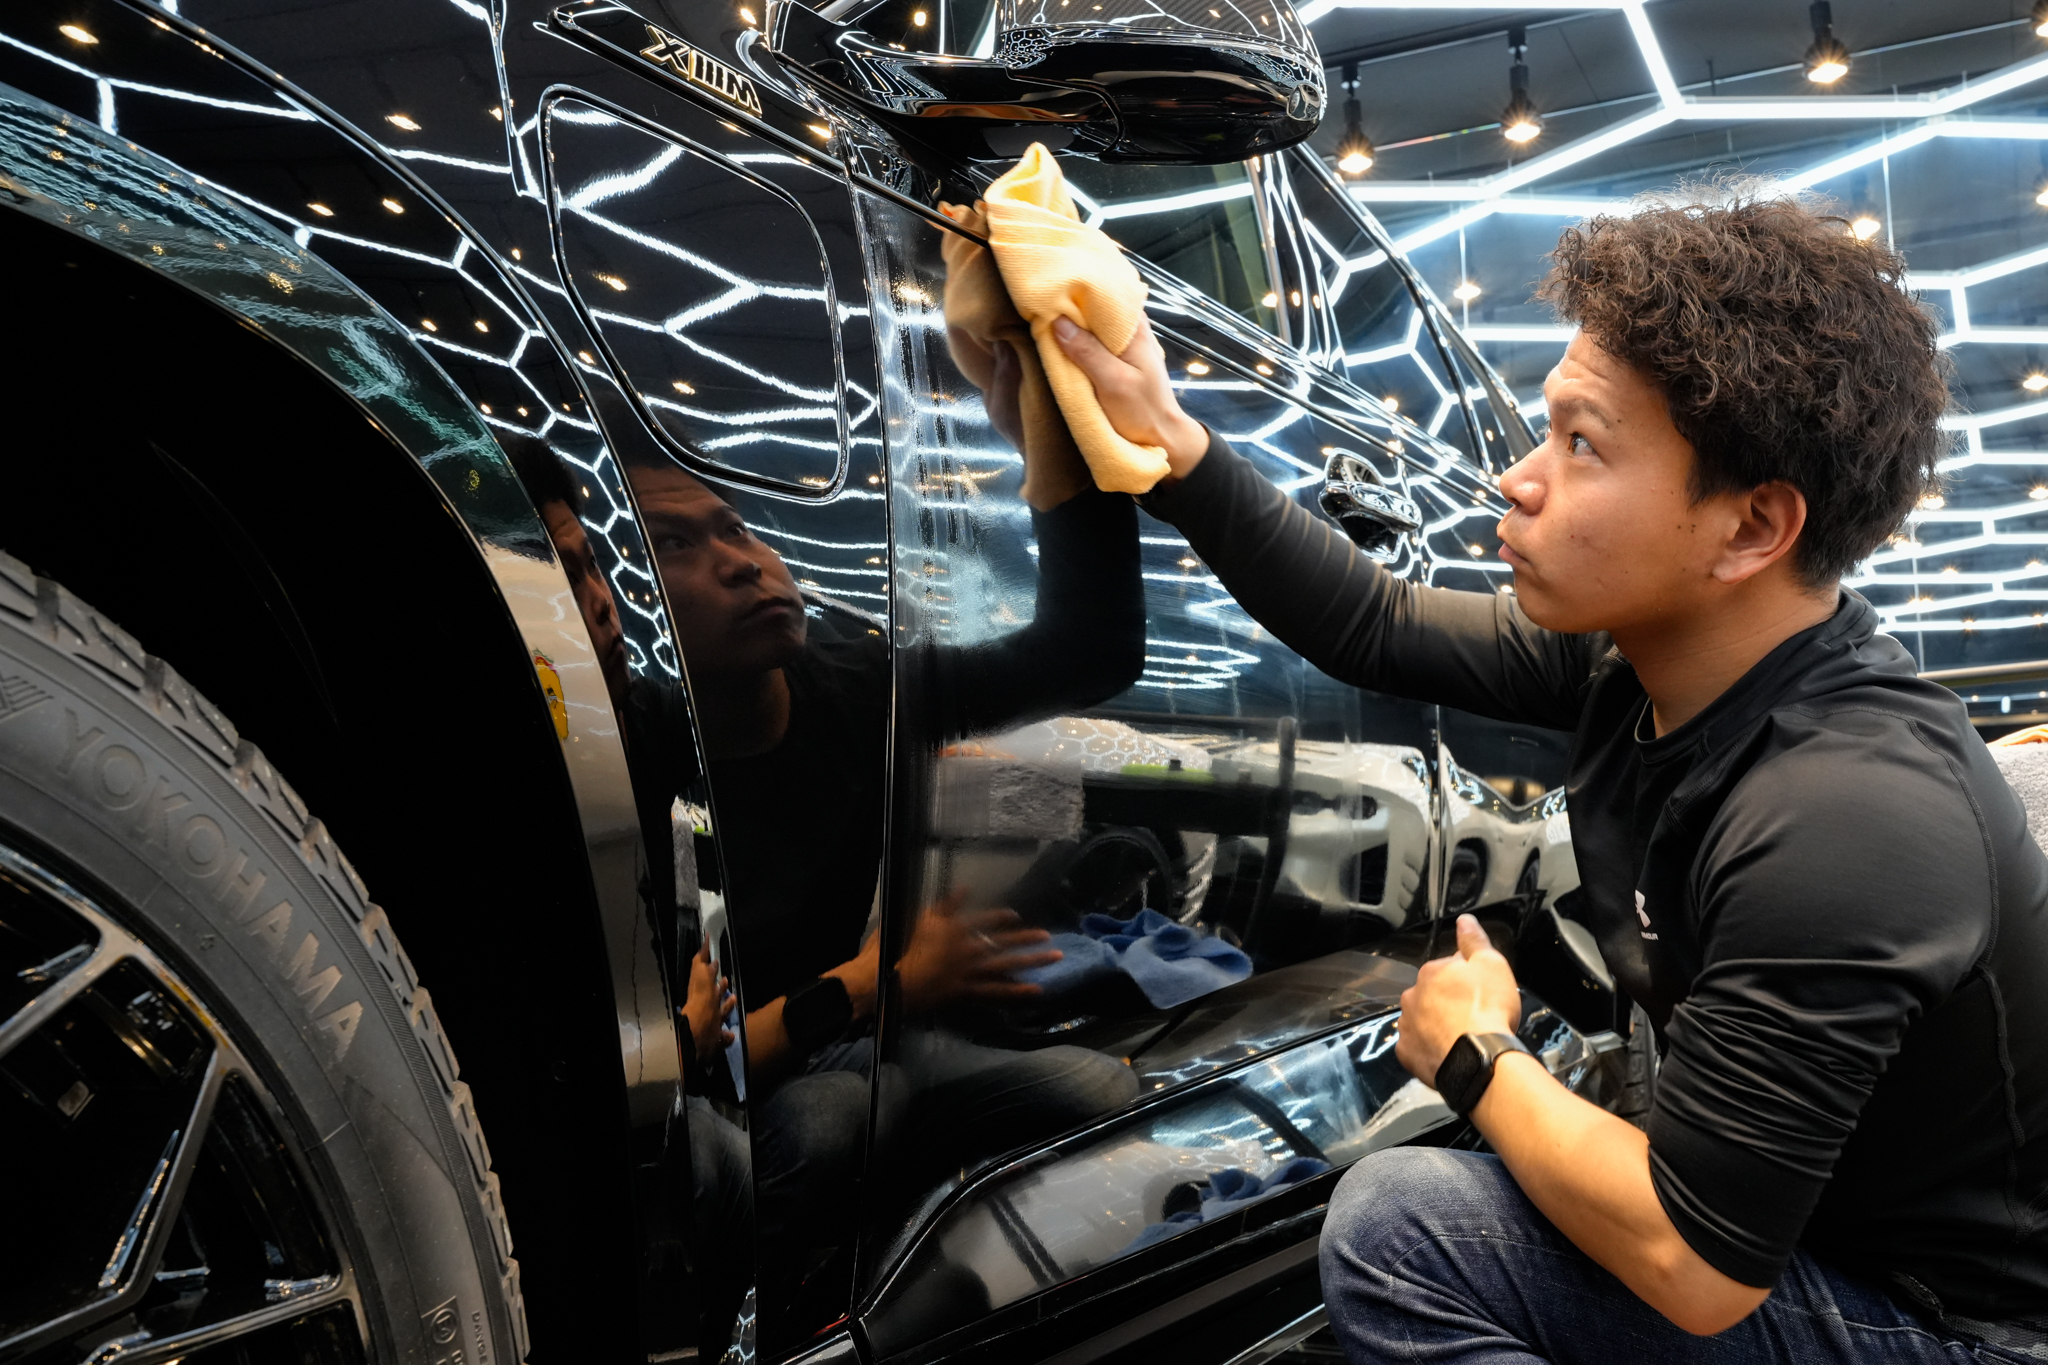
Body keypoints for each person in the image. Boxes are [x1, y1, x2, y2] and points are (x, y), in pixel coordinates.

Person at [1049, 187, 2048, 1362]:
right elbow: (1373, 623)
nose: (1515, 481)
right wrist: (1169, 446)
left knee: (1406, 1226)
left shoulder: (1844, 816)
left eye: (1580, 445)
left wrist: (1478, 1054)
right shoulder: (1647, 665)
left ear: (1748, 528)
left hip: (1955, 1328)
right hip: (1814, 1250)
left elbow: (1694, 1265)